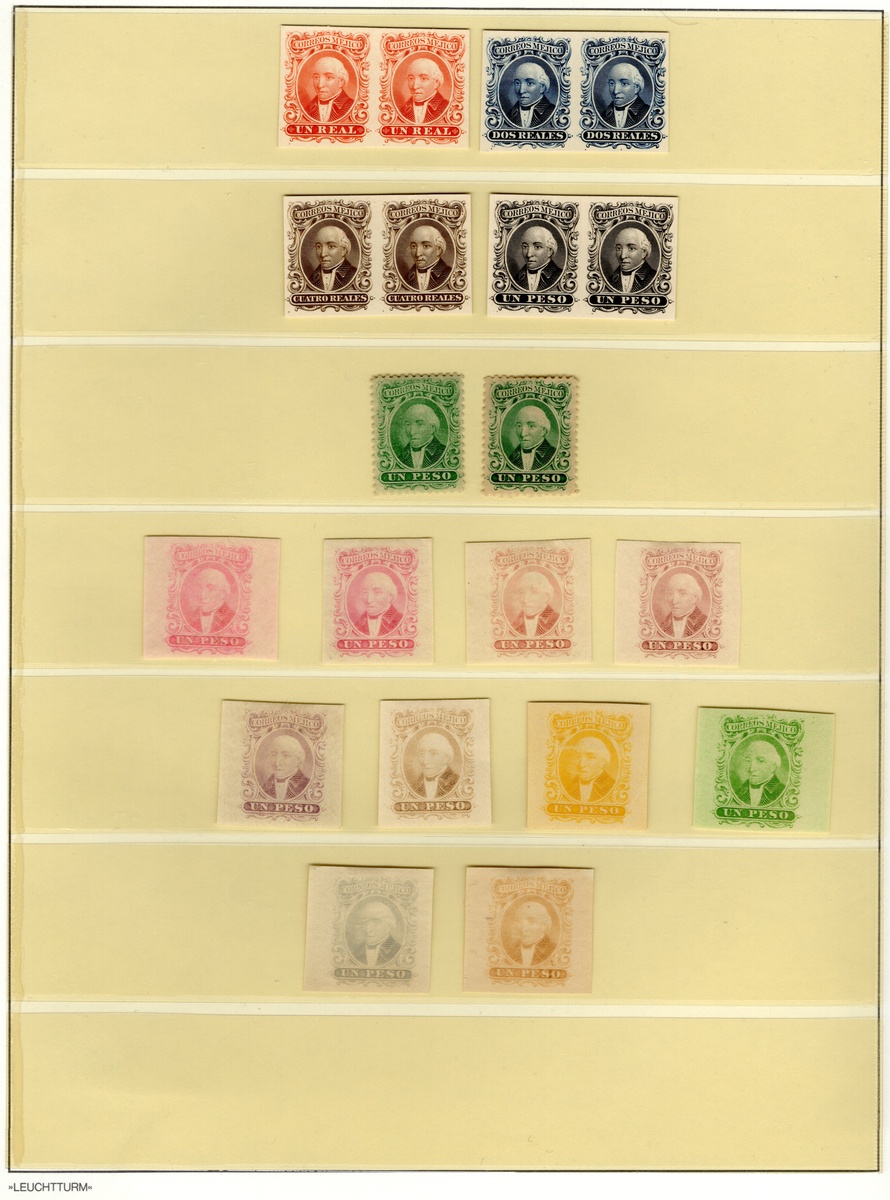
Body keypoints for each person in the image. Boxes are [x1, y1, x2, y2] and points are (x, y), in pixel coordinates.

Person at [732, 740, 785, 806]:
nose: (751, 769)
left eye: (760, 761)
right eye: (748, 761)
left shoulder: (783, 792)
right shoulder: (738, 794)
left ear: (773, 767)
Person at [348, 900, 401, 966]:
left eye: (376, 922)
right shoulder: (354, 953)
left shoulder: (398, 951)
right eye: (364, 922)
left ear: (389, 925)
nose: (368, 930)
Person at [504, 900, 557, 967]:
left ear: (544, 926)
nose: (523, 929)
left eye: (531, 922)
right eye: (519, 921)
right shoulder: (509, 952)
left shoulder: (554, 951)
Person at [563, 736, 615, 802]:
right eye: (578, 757)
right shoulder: (569, 789)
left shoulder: (612, 787)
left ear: (602, 762)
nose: (581, 764)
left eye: (590, 757)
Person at [408, 730, 459, 799]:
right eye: (421, 754)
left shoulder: (457, 783)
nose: (425, 761)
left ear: (446, 758)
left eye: (433, 754)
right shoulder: (413, 787)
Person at [259, 732, 310, 801]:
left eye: (285, 756)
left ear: (298, 759)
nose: (277, 763)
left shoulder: (307, 786)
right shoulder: (264, 788)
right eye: (273, 755)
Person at [397, 57, 449, 123]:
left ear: (436, 82)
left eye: (423, 79)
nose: (415, 86)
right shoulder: (402, 111)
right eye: (411, 79)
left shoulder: (447, 108)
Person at [655, 572, 708, 638]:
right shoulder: (661, 626)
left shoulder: (705, 623)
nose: (674, 601)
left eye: (682, 594)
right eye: (670, 593)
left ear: (695, 597)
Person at [508, 570, 559, 636]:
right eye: (522, 592)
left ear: (547, 596)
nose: (525, 600)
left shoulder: (558, 621)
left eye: (534, 592)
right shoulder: (513, 625)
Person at [184, 567, 235, 634]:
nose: (202, 595)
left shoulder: (232, 618)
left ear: (223, 593)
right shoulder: (189, 619)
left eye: (211, 589)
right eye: (199, 588)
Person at [506, 60, 555, 128]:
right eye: (517, 83)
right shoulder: (509, 115)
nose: (521, 91)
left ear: (542, 87)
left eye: (529, 83)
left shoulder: (553, 113)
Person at [351, 571, 403, 636]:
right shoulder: (357, 626)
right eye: (365, 592)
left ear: (390, 596)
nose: (369, 600)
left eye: (377, 592)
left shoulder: (401, 621)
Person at [600, 61, 650, 128]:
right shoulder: (603, 116)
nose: (615, 91)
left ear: (636, 87)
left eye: (624, 84)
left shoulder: (648, 113)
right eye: (612, 83)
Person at [304, 55, 355, 121]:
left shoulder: (352, 107)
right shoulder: (307, 110)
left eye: (328, 77)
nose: (320, 85)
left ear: (341, 81)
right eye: (316, 77)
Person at [308, 224, 357, 292]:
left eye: (331, 246)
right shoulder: (311, 279)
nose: (323, 254)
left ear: (343, 250)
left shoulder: (355, 275)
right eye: (319, 247)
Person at [395, 403, 446, 468]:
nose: (412, 432)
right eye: (408, 424)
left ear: (432, 428)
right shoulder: (400, 458)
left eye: (419, 424)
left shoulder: (444, 453)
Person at [608, 226, 657, 293]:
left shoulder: (654, 278)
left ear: (643, 252)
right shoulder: (609, 280)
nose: (622, 256)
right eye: (619, 248)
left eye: (631, 248)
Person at [507, 405, 556, 470]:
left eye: (531, 426)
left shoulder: (554, 455)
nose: (523, 434)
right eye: (519, 426)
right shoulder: (511, 458)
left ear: (543, 430)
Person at [514, 225, 562, 291]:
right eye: (525, 247)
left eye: (537, 247)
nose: (529, 254)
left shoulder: (560, 277)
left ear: (549, 251)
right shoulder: (515, 279)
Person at [405, 225, 451, 290]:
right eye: (414, 246)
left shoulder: (449, 275)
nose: (418, 254)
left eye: (426, 246)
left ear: (438, 249)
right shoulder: (406, 278)